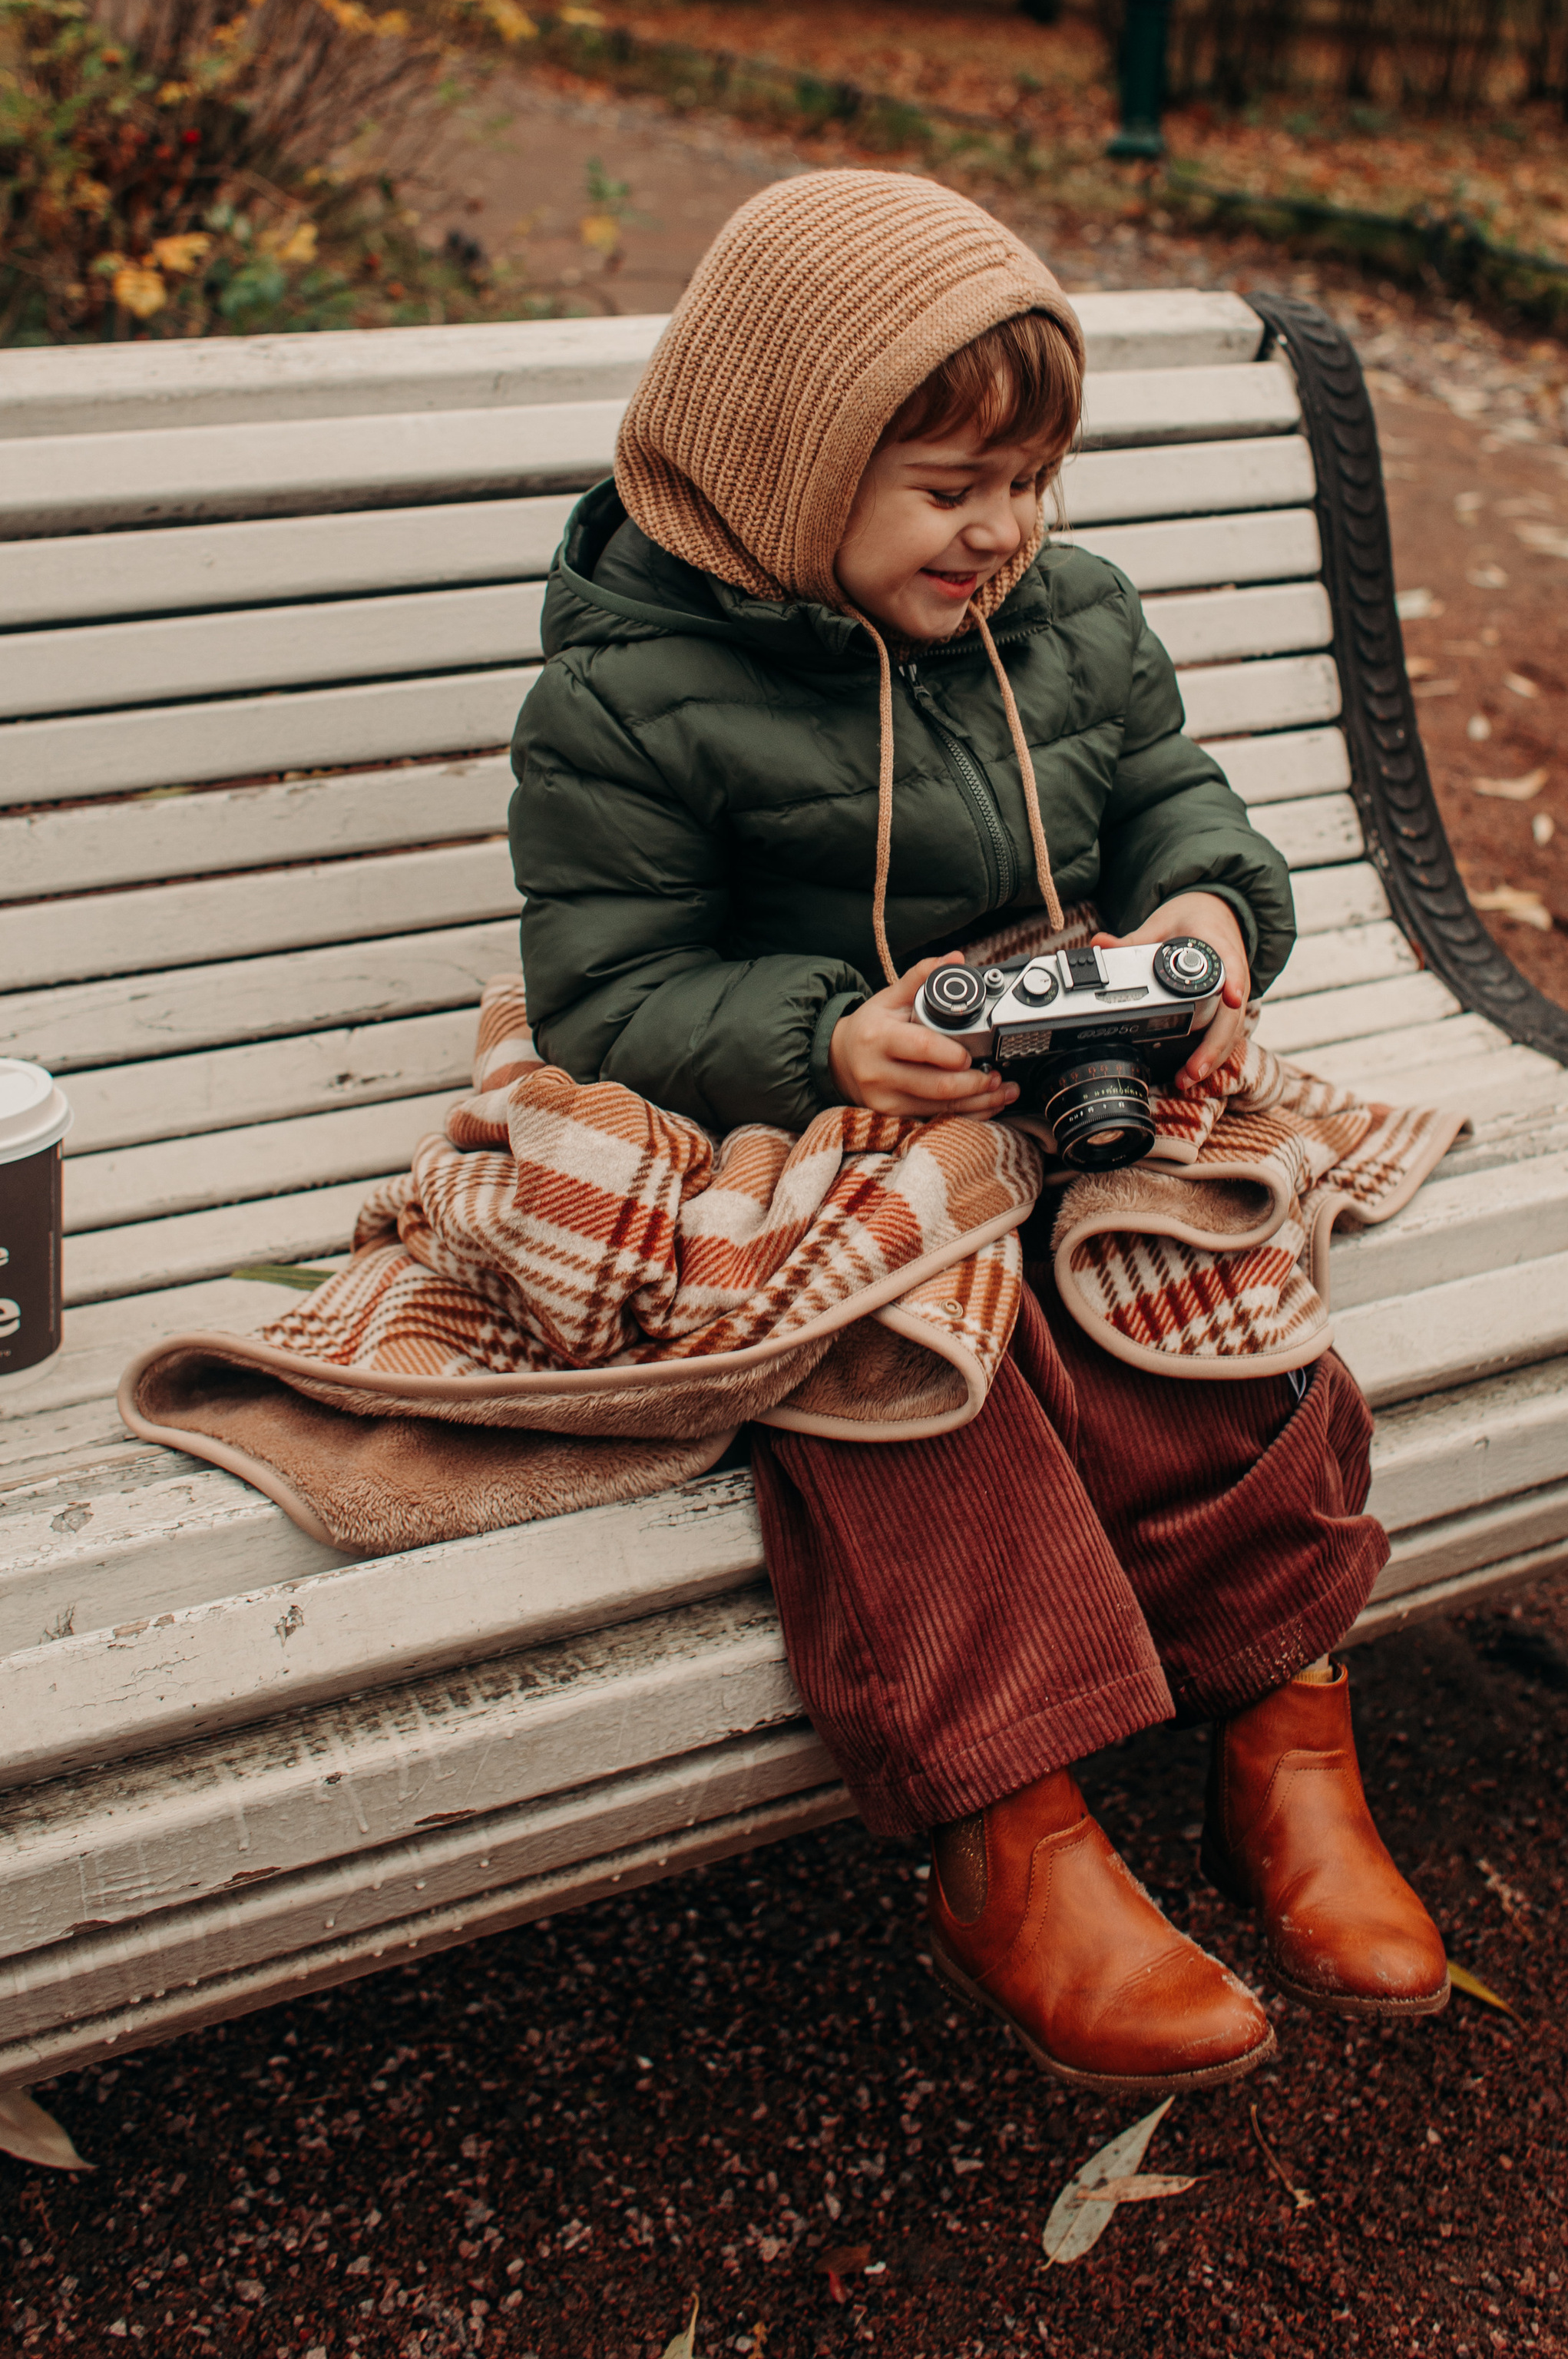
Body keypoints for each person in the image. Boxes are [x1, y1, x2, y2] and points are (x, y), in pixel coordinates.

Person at [511, 170, 1447, 2093]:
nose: (1005, 530)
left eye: (1031, 480)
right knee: (917, 1369)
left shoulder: (1070, 621)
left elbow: (1180, 805)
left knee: (1211, 1285)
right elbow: (607, 998)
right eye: (951, 488)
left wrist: (1200, 923)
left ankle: (1285, 1732)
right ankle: (1008, 1834)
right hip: (815, 1122)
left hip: (1058, 1074)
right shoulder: (628, 694)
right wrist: (823, 1038)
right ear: (789, 463)